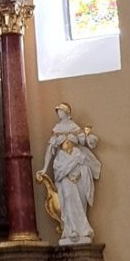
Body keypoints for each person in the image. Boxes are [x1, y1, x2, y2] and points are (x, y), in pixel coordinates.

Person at [38, 103, 101, 245]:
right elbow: (49, 150)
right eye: (58, 111)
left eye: (60, 111)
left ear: (67, 112)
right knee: (67, 196)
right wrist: (44, 168)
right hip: (62, 165)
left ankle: (82, 229)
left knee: (80, 196)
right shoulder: (56, 129)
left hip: (77, 162)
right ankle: (70, 229)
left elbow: (85, 141)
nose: (58, 113)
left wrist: (89, 136)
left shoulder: (75, 128)